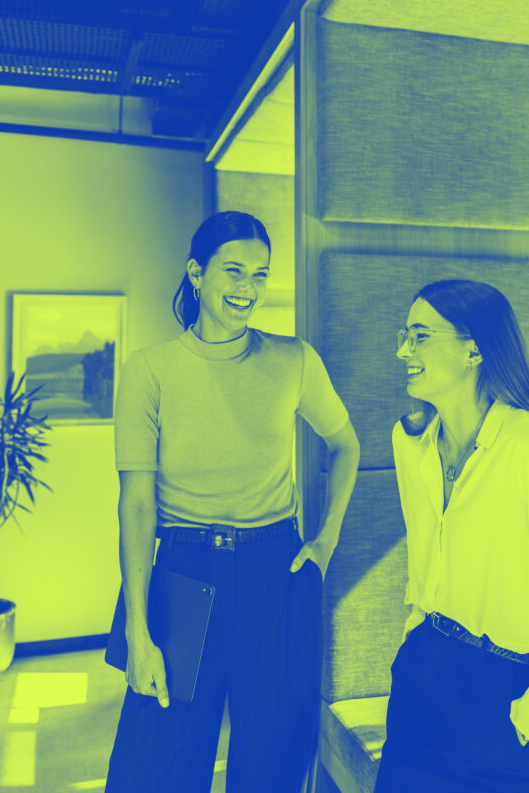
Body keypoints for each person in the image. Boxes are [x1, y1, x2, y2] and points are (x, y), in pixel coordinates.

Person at [105, 210, 360, 793]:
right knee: (152, 771)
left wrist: (326, 540)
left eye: (260, 274)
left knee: (273, 766)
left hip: (276, 571)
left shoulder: (293, 360)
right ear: (196, 273)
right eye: (234, 271)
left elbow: (346, 445)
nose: (248, 288)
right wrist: (140, 634)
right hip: (182, 574)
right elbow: (137, 506)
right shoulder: (149, 371)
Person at [374, 279, 529, 793]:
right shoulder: (413, 444)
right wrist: (412, 648)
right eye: (405, 334)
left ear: (474, 350)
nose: (403, 350)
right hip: (422, 683)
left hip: (502, 701)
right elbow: (425, 569)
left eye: (419, 335)